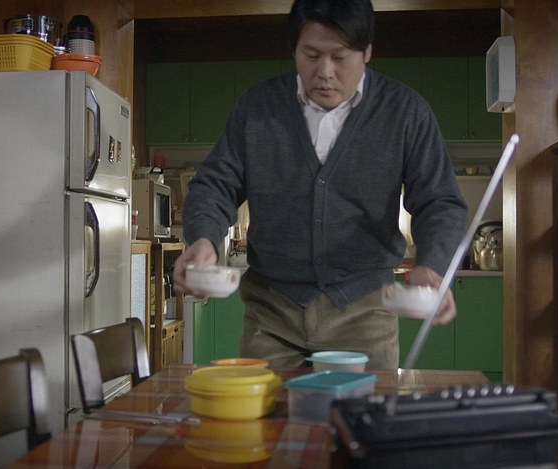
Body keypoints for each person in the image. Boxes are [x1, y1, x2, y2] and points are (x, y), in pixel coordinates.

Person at [172, 0, 467, 369]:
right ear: (294, 50)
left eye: (340, 57)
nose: (325, 72)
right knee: (265, 408)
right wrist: (203, 239)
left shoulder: (406, 112)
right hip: (272, 312)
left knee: (362, 408)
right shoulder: (258, 107)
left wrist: (432, 264)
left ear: (367, 52)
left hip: (364, 312)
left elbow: (439, 202)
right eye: (311, 56)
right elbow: (215, 185)